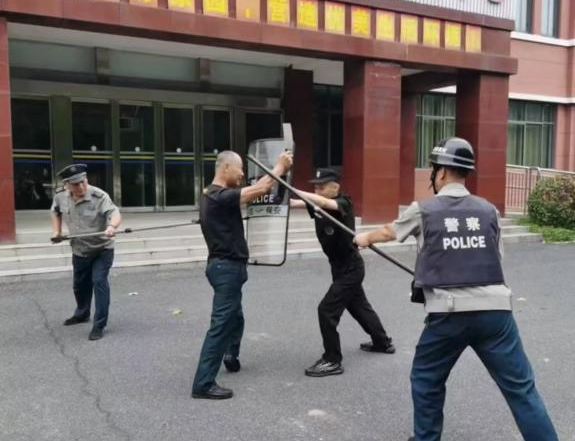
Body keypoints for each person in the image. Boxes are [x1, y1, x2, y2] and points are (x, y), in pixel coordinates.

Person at [354, 138, 558, 441]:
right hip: (496, 314)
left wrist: (364, 238)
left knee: (426, 378)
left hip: (449, 315)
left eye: (433, 170)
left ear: (441, 172)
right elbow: (496, 256)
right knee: (521, 389)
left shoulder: (424, 209)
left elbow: (389, 231)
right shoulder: (489, 211)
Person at [191, 150, 293, 400]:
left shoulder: (213, 194)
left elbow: (252, 193)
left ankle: (231, 355)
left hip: (227, 267)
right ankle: (203, 384)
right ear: (225, 167)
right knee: (221, 325)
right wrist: (280, 167)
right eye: (240, 169)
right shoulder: (217, 195)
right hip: (226, 269)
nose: (242, 174)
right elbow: (261, 188)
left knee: (235, 318)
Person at [290, 168, 394, 378]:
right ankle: (382, 342)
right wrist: (284, 199)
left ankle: (332, 360)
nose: (317, 190)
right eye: (315, 187)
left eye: (321, 186)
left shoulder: (343, 202)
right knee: (359, 307)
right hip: (338, 267)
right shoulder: (318, 202)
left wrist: (296, 190)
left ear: (335, 187)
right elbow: (300, 203)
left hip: (351, 267)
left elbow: (325, 202)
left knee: (326, 310)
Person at [51, 164, 122, 341]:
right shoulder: (60, 197)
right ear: (67, 185)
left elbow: (114, 213)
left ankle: (99, 325)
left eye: (83, 182)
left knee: (99, 282)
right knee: (79, 285)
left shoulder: (99, 196)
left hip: (102, 249)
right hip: (79, 250)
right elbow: (55, 212)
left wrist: (112, 226)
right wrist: (57, 232)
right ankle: (82, 313)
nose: (81, 186)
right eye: (76, 184)